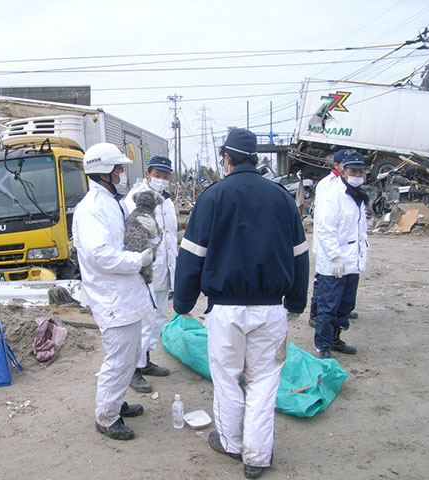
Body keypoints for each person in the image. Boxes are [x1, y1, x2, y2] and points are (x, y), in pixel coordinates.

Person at [173, 129, 309, 479]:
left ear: (227, 159)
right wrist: (295, 302)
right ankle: (257, 456)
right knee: (264, 381)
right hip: (270, 308)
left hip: (225, 308)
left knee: (227, 378)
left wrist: (183, 302)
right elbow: (299, 256)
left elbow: (191, 256)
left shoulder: (212, 197)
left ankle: (232, 443)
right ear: (256, 159)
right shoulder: (282, 198)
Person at [72, 142, 156, 441]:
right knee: (120, 357)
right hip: (111, 297)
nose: (122, 172)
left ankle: (115, 402)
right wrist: (138, 260)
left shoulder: (112, 201)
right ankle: (107, 417)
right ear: (103, 172)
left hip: (125, 295)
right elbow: (101, 255)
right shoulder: (92, 208)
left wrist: (148, 234)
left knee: (130, 353)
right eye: (118, 168)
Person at [124, 156, 178, 393]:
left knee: (158, 318)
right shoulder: (135, 199)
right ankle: (134, 370)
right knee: (144, 321)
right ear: (148, 173)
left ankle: (145, 361)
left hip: (164, 269)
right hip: (145, 270)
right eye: (158, 174)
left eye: (166, 176)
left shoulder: (167, 202)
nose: (162, 180)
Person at [313, 152, 369, 358]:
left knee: (346, 305)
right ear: (343, 172)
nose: (357, 175)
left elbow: (360, 229)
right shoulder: (333, 195)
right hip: (334, 261)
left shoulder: (359, 196)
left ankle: (336, 338)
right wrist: (335, 257)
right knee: (329, 305)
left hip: (353, 260)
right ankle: (323, 344)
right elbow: (325, 229)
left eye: (360, 171)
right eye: (353, 171)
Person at [309, 149, 351, 328]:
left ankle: (338, 308)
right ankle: (315, 312)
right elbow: (324, 216)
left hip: (341, 240)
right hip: (326, 239)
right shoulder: (328, 183)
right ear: (336, 165)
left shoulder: (347, 183)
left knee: (341, 279)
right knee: (323, 280)